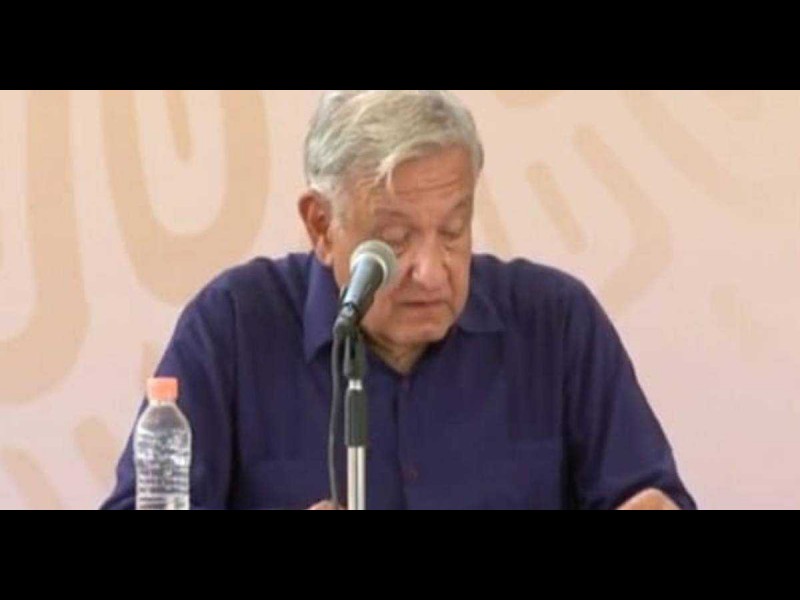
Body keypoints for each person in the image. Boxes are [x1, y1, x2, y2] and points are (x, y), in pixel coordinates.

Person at [102, 90, 695, 510]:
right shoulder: (234, 326)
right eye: (393, 240)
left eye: (453, 231)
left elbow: (648, 495)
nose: (430, 272)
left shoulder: (555, 323)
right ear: (321, 225)